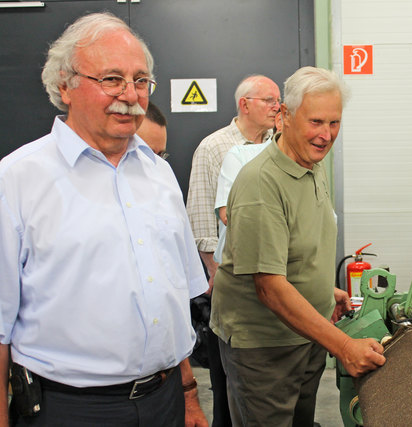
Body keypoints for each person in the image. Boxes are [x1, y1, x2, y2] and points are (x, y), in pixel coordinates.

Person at [0, 12, 209, 427]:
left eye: (141, 80)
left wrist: (188, 397)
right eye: (111, 79)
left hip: (165, 401)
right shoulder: (17, 180)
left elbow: (172, 303)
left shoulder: (159, 173)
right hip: (70, 411)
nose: (130, 95)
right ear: (65, 85)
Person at [210, 66, 386, 427]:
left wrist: (325, 290)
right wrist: (344, 346)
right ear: (284, 116)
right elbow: (270, 287)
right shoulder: (262, 183)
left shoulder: (311, 164)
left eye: (334, 123)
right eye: (316, 122)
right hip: (265, 348)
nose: (326, 135)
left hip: (305, 335)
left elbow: (294, 251)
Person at [186, 74, 280, 427]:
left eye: (278, 100)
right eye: (268, 100)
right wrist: (213, 275)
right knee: (228, 374)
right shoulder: (215, 148)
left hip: (270, 273)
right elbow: (199, 218)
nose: (277, 106)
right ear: (245, 105)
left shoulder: (280, 144)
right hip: (226, 277)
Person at [212, 110, 282, 263]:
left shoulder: (313, 168)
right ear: (280, 121)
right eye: (313, 122)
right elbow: (229, 216)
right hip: (244, 271)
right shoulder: (240, 156)